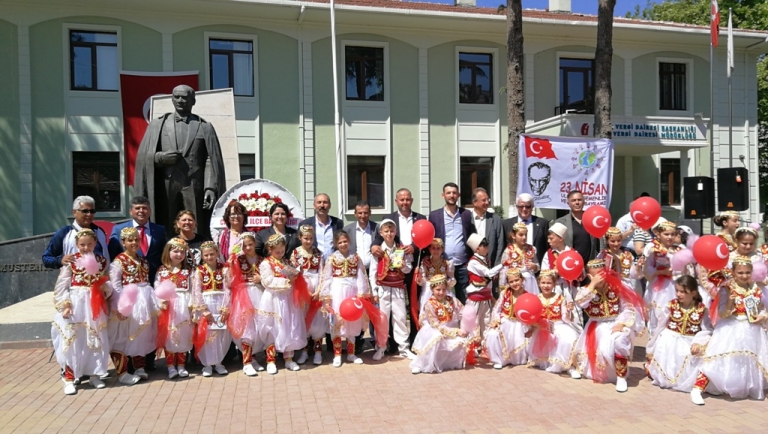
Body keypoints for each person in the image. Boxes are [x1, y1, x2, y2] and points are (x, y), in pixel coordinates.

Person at [133, 84, 226, 240]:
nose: (180, 100)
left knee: (195, 222)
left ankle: (197, 250)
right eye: (177, 97)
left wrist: (210, 187)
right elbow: (143, 157)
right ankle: (167, 251)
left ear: (193, 101)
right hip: (166, 183)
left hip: (193, 183)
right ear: (172, 99)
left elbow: (211, 158)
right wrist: (161, 158)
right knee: (165, 221)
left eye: (185, 97)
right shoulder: (158, 125)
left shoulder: (205, 127)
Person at [692, 256, 768, 404]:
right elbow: (722, 313)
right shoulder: (726, 289)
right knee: (716, 357)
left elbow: (762, 309)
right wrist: (730, 303)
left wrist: (762, 316)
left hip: (752, 330)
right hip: (730, 327)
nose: (744, 276)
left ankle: (739, 385)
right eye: (740, 273)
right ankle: (697, 389)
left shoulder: (757, 288)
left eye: (747, 272)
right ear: (733, 272)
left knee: (745, 360)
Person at [51, 229, 112, 395]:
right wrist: (65, 304)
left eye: (89, 244)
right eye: (82, 245)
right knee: (73, 339)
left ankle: (94, 374)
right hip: (76, 302)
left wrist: (105, 289)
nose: (86, 248)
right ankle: (69, 378)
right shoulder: (71, 262)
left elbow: (107, 281)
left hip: (94, 304)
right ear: (77, 245)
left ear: (95, 243)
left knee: (95, 337)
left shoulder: (102, 261)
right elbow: (61, 286)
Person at [571, 259, 644, 392]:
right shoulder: (586, 290)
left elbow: (628, 307)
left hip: (615, 323)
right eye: (596, 275)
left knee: (620, 342)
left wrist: (621, 324)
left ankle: (621, 376)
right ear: (590, 276)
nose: (600, 278)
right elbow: (580, 302)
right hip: (596, 326)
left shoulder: (617, 287)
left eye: (602, 274)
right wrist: (592, 284)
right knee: (594, 355)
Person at [371, 188, 426, 347]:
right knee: (391, 307)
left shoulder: (420, 218)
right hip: (394, 270)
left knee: (414, 304)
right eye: (402, 199)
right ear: (396, 201)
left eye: (407, 199)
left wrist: (414, 247)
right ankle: (390, 343)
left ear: (412, 200)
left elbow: (424, 238)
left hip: (413, 266)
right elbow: (380, 237)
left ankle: (414, 340)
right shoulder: (389, 218)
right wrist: (373, 246)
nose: (405, 202)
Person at [108, 227, 161, 385]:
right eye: (130, 240)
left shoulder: (143, 260)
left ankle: (139, 367)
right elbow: (115, 286)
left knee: (141, 333)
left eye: (136, 240)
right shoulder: (118, 262)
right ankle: (123, 372)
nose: (134, 243)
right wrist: (120, 306)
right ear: (123, 242)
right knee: (122, 336)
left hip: (144, 302)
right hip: (128, 302)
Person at [646, 275, 712, 394]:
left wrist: (699, 342)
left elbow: (706, 329)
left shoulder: (701, 309)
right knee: (669, 364)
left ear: (693, 293)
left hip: (689, 341)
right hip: (669, 340)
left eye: (683, 292)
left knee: (693, 361)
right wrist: (652, 344)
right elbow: (661, 325)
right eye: (677, 291)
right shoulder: (671, 305)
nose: (678, 294)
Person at [258, 234, 308, 374]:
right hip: (274, 299)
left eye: (282, 251)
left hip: (288, 298)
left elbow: (292, 274)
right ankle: (270, 360)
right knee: (273, 328)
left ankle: (289, 359)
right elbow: (267, 281)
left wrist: (296, 274)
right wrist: (287, 281)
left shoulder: (286, 261)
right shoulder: (266, 263)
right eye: (277, 252)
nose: (280, 254)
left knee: (289, 326)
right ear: (270, 250)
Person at [320, 231, 370, 367]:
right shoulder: (332, 258)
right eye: (340, 242)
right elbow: (327, 278)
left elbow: (361, 276)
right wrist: (327, 297)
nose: (343, 244)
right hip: (337, 291)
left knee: (352, 322)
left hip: (352, 292)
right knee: (337, 322)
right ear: (336, 244)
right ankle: (337, 354)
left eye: (345, 241)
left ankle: (351, 354)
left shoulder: (356, 257)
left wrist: (361, 294)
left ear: (349, 241)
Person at [369, 219, 414, 361]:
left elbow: (409, 268)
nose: (389, 234)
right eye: (386, 231)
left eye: (392, 231)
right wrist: (374, 291)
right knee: (382, 319)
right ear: (381, 233)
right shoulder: (378, 250)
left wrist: (403, 266)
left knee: (400, 317)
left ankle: (404, 348)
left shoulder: (402, 249)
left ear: (396, 232)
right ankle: (381, 347)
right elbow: (373, 272)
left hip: (398, 288)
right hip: (383, 288)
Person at [410, 274, 470, 374]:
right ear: (432, 289)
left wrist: (467, 326)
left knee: (461, 341)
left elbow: (463, 312)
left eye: (444, 289)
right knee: (436, 337)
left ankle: (445, 363)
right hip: (433, 330)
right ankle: (422, 365)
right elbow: (436, 325)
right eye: (438, 290)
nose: (441, 292)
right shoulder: (429, 304)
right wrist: (456, 331)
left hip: (450, 329)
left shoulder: (452, 300)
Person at [429, 183, 476, 303]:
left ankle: (464, 316)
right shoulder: (434, 216)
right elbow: (431, 239)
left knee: (464, 298)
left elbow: (471, 236)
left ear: (458, 195)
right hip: (442, 264)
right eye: (448, 193)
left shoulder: (466, 214)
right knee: (442, 297)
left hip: (462, 264)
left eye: (454, 193)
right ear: (443, 195)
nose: (451, 195)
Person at [155, 238, 194, 379]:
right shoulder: (162, 270)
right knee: (169, 336)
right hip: (169, 308)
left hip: (183, 306)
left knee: (184, 334)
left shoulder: (188, 271)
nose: (179, 255)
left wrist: (192, 304)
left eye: (182, 252)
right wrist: (161, 301)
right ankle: (171, 366)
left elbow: (192, 289)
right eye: (175, 251)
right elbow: (156, 288)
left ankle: (181, 365)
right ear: (168, 252)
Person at [530, 270, 582, 377]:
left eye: (549, 283)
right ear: (539, 283)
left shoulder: (560, 298)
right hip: (542, 328)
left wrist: (569, 311)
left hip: (558, 325)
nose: (546, 286)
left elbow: (566, 319)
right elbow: (533, 317)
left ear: (554, 284)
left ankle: (569, 366)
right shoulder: (536, 299)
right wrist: (535, 326)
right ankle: (554, 363)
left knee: (568, 340)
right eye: (543, 283)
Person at [191, 241, 232, 377]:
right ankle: (207, 364)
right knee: (207, 333)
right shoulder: (199, 270)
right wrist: (204, 310)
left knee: (221, 332)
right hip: (207, 303)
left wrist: (226, 307)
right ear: (202, 256)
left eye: (212, 254)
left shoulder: (224, 269)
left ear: (217, 253)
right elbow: (196, 291)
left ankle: (219, 362)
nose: (209, 257)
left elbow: (228, 289)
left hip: (220, 303)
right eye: (206, 255)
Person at [228, 232, 265, 376]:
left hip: (259, 294)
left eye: (250, 244)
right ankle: (247, 362)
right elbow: (229, 280)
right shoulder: (238, 260)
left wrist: (261, 279)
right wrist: (231, 263)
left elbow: (269, 278)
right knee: (246, 327)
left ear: (255, 243)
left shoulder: (263, 260)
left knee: (257, 327)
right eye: (244, 246)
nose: (248, 248)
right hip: (243, 295)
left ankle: (253, 357)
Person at [290, 225, 327, 366]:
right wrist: (303, 291)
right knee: (302, 319)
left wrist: (319, 291)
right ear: (300, 238)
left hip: (316, 288)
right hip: (302, 288)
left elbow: (322, 273)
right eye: (306, 238)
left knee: (317, 320)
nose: (308, 241)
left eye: (311, 238)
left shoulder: (318, 253)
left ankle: (318, 352)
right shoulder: (295, 253)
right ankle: (304, 351)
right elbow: (294, 273)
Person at [109, 196, 167, 284]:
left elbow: (164, 254)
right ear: (130, 211)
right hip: (129, 280)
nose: (141, 211)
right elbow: (112, 254)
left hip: (155, 280)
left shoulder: (160, 230)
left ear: (150, 211)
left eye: (144, 208)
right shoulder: (118, 229)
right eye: (137, 208)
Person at [43, 196, 109, 269]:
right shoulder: (64, 233)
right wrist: (60, 261)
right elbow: (46, 258)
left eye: (92, 211)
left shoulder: (100, 231)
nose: (89, 214)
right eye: (85, 211)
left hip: (101, 275)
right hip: (73, 275)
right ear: (74, 212)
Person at [484, 268, 531, 369]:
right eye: (511, 281)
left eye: (517, 280)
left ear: (522, 279)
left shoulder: (527, 296)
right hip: (505, 321)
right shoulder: (505, 293)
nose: (514, 283)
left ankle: (515, 358)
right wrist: (496, 320)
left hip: (520, 324)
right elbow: (496, 309)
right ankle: (498, 359)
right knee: (492, 334)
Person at [637, 220, 680, 331]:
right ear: (658, 235)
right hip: (657, 287)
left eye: (672, 234)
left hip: (675, 285)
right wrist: (661, 272)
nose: (670, 237)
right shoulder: (653, 250)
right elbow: (647, 269)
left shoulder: (679, 249)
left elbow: (686, 270)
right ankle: (654, 337)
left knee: (674, 313)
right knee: (657, 312)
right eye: (666, 234)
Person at [465, 234, 503, 348]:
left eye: (487, 246)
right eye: (485, 246)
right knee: (474, 323)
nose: (487, 248)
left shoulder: (486, 260)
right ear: (477, 248)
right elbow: (489, 273)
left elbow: (488, 281)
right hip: (476, 297)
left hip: (486, 296)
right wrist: (503, 264)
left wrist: (490, 295)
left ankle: (486, 346)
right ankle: (473, 347)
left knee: (486, 321)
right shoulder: (473, 262)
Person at [554, 191, 600, 269]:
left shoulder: (592, 219)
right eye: (573, 200)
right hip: (570, 266)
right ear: (568, 203)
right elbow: (555, 245)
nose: (577, 202)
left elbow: (600, 241)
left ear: (584, 202)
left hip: (590, 266)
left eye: (579, 200)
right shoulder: (561, 222)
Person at [502, 193, 549, 264]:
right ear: (517, 207)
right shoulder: (506, 224)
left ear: (532, 207)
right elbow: (502, 247)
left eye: (527, 206)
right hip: (513, 268)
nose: (524, 209)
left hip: (536, 267)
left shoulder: (543, 223)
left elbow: (547, 247)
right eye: (521, 206)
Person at [298, 193, 344, 260]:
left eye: (325, 202)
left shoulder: (338, 223)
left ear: (329, 205)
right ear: (314, 206)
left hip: (333, 263)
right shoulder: (305, 224)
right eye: (319, 202)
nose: (322, 205)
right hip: (313, 263)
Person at [500, 222, 540, 295]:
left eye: (525, 235)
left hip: (530, 281)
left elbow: (537, 265)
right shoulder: (509, 250)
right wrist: (503, 286)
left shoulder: (531, 249)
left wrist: (534, 266)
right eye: (521, 235)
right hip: (515, 282)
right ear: (513, 236)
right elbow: (504, 270)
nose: (524, 237)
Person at [418, 239, 456, 313]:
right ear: (429, 249)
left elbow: (451, 278)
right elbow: (423, 279)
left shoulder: (447, 264)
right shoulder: (425, 263)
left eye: (438, 248)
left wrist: (449, 283)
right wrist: (420, 280)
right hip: (429, 290)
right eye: (433, 248)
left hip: (443, 291)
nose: (436, 251)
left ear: (442, 249)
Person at [470, 188, 505, 267]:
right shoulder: (468, 219)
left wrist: (497, 266)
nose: (487, 202)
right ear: (475, 202)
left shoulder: (495, 219)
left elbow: (500, 244)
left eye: (487, 200)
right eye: (484, 200)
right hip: (472, 267)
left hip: (491, 265)